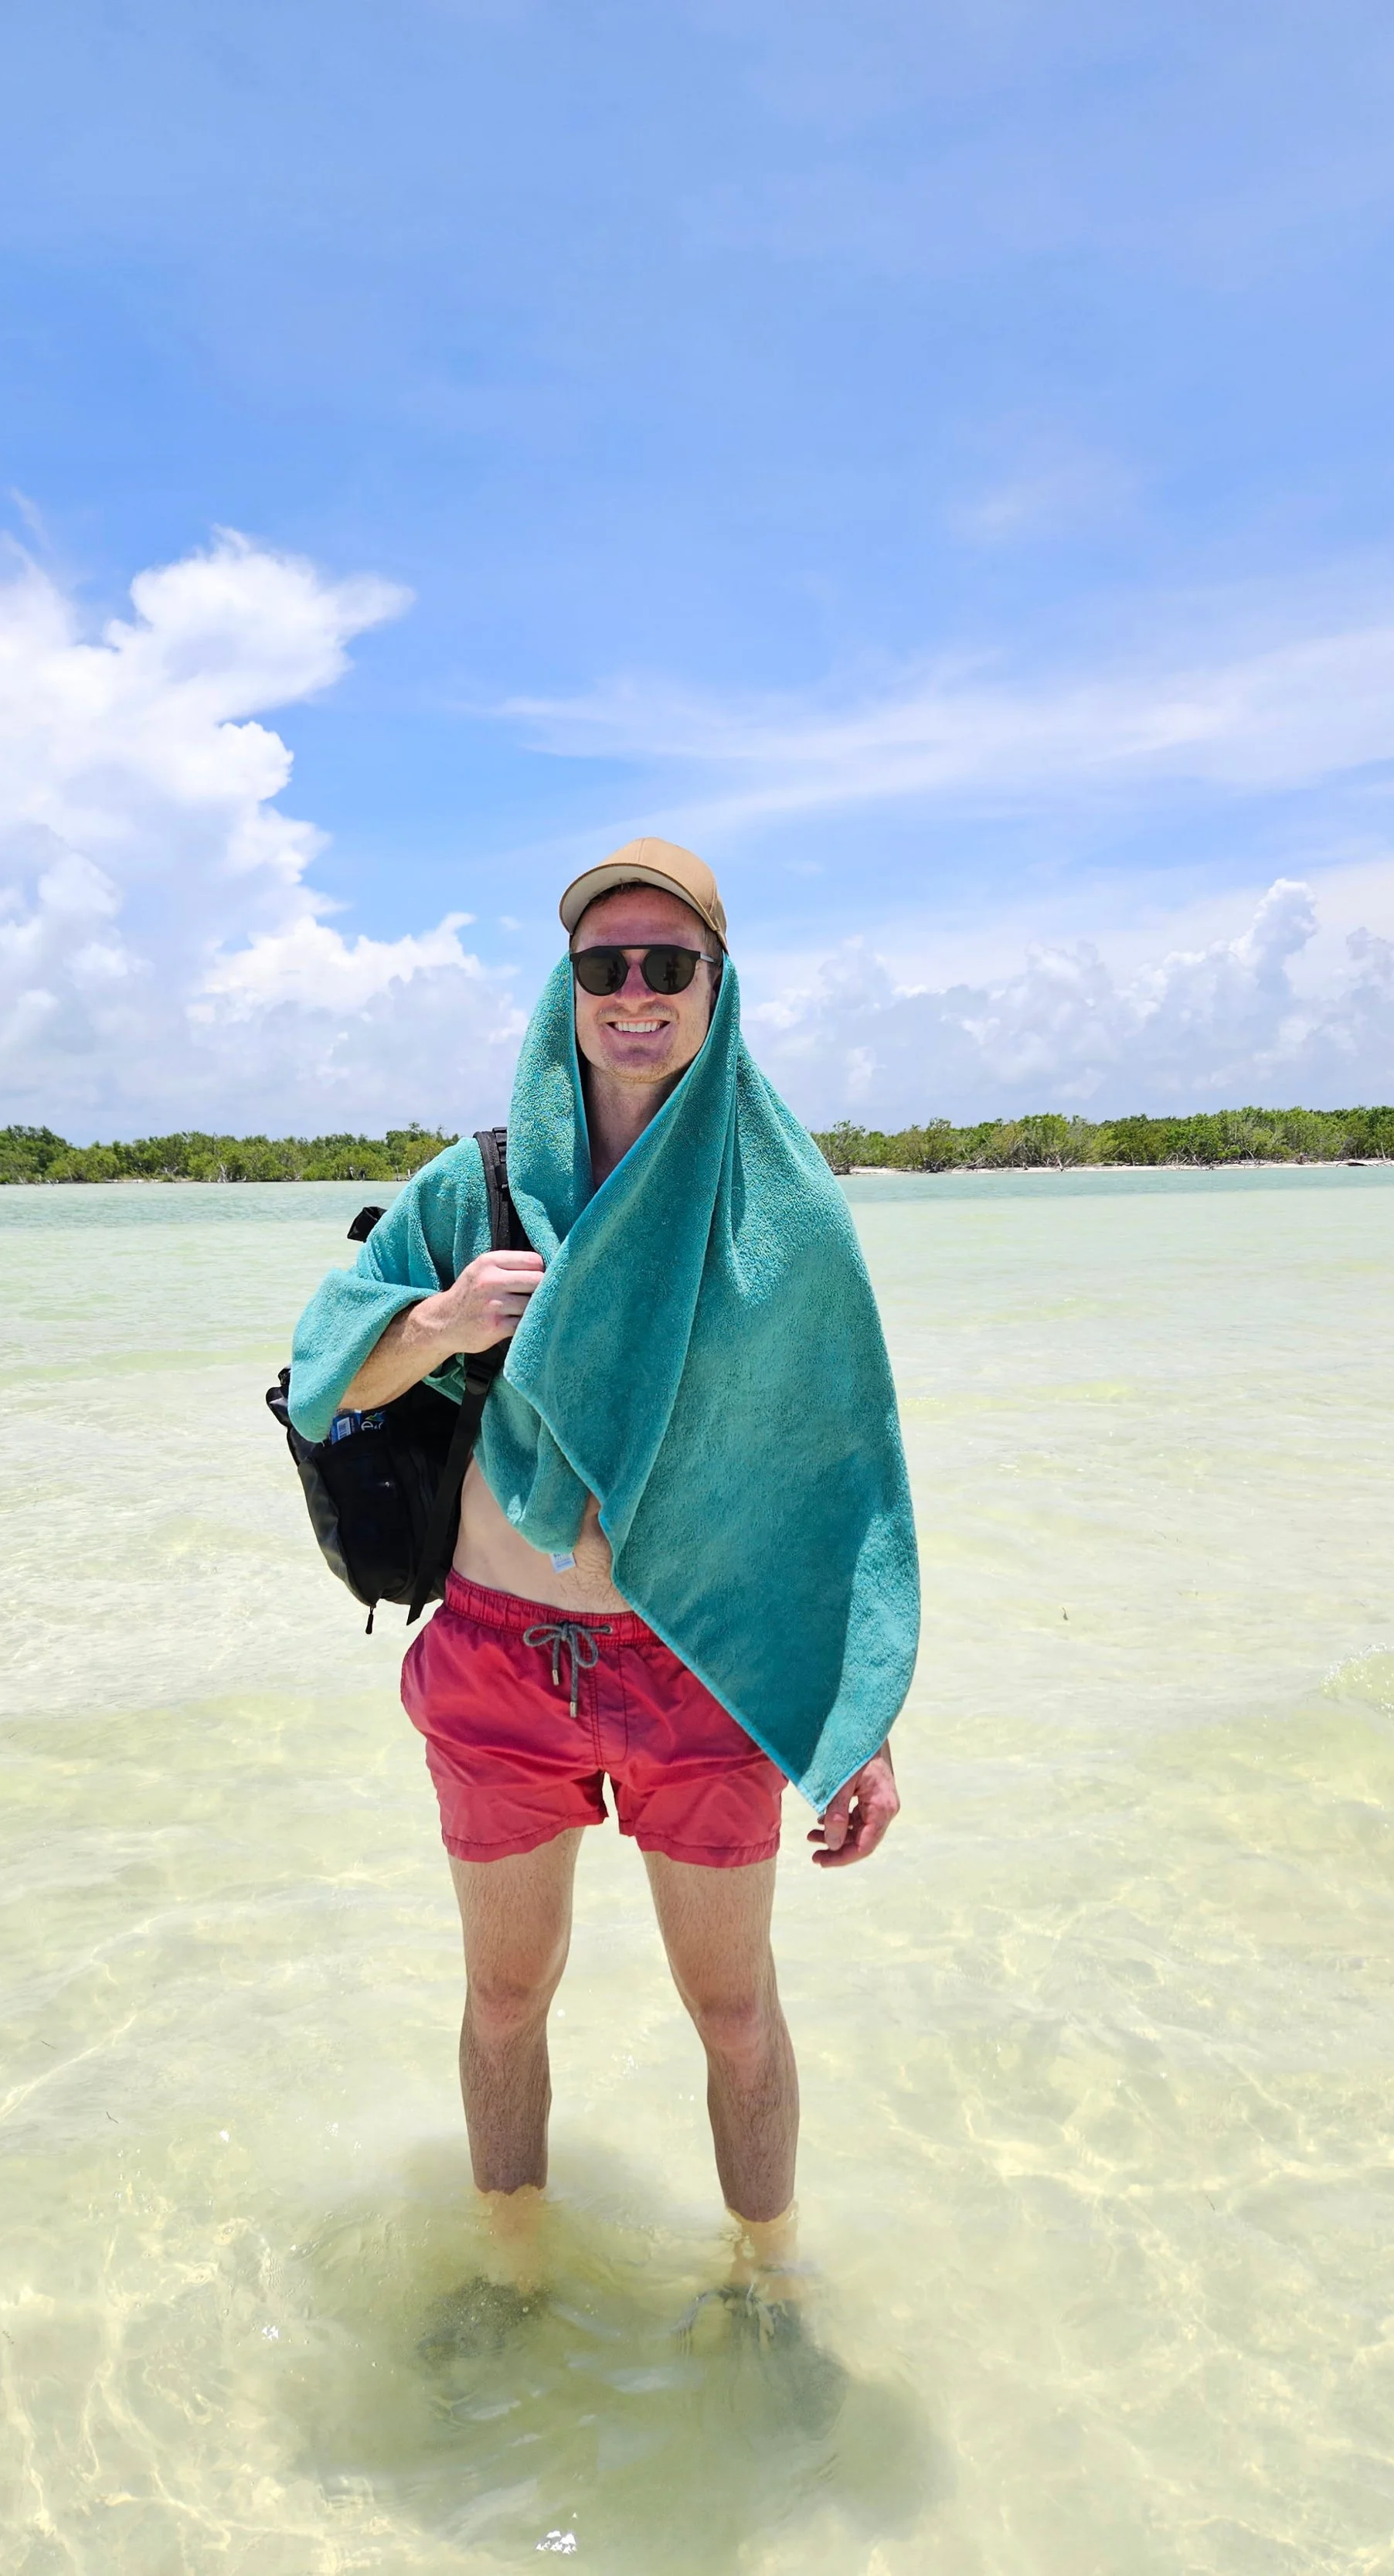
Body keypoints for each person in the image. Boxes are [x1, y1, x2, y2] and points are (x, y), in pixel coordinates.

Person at [286, 838, 918, 2322]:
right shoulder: (480, 1185)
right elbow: (326, 1374)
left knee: (736, 2009)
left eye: (667, 966)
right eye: (603, 968)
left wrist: (859, 1716)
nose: (633, 995)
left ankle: (770, 2286)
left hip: (697, 1668)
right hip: (501, 1657)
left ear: (717, 985)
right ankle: (512, 2275)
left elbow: (837, 1481)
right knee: (506, 1999)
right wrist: (442, 1318)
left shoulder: (786, 1218)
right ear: (568, 991)